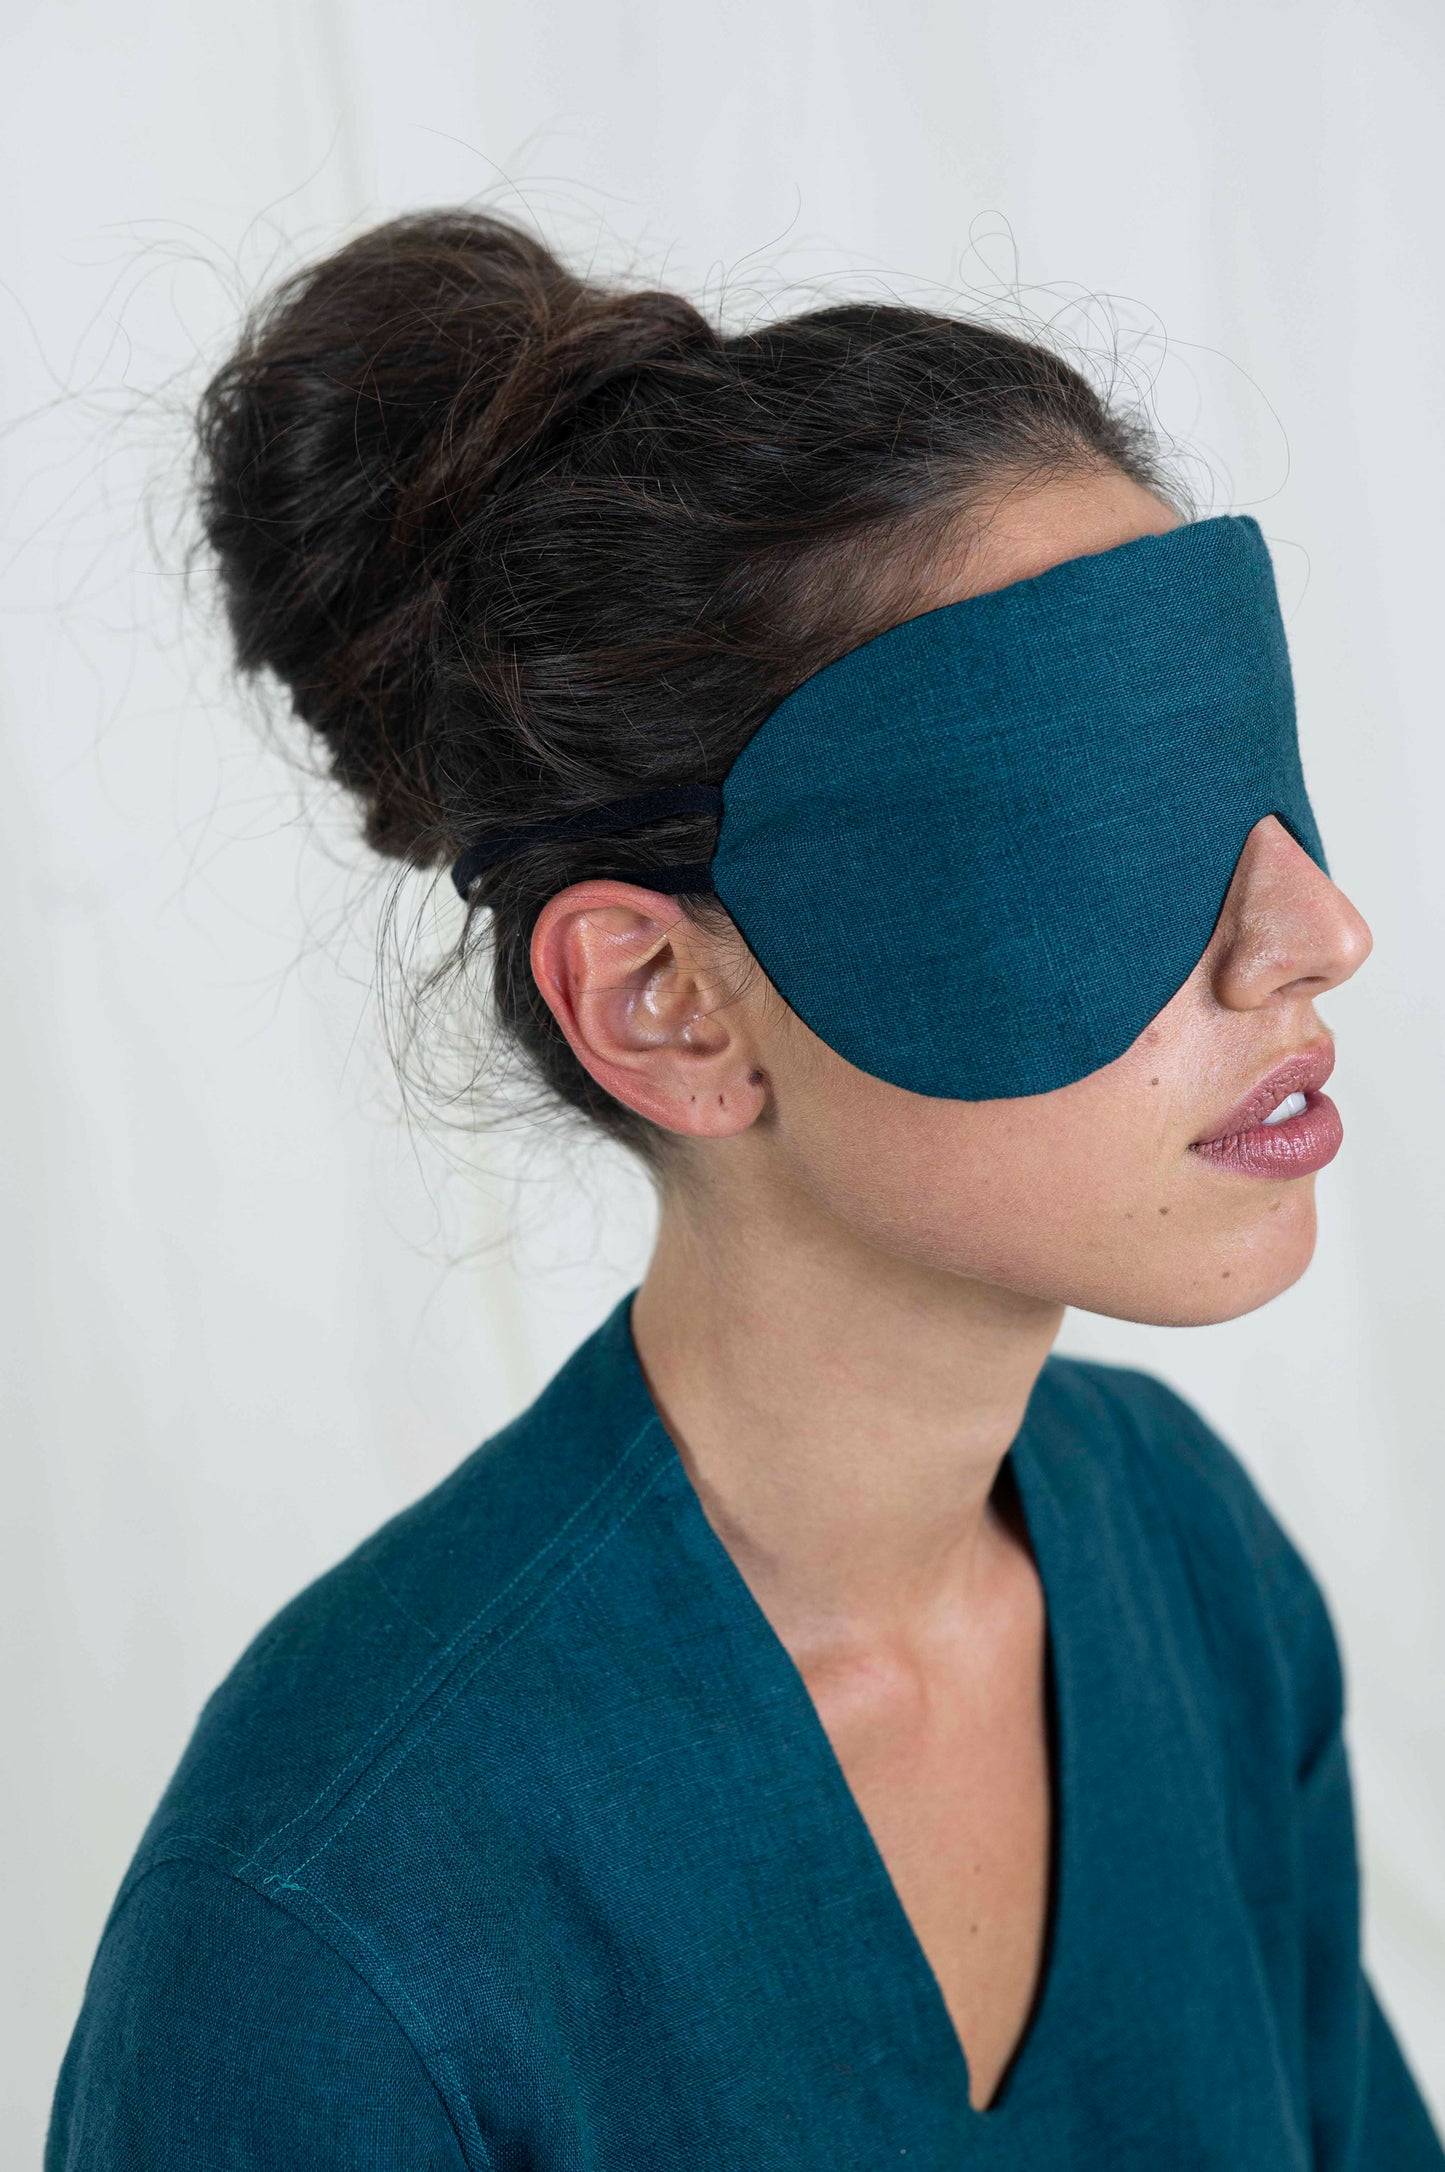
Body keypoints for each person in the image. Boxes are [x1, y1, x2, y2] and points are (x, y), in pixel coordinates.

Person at [46, 210, 1444, 2170]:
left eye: (1255, 781)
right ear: (668, 1003)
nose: (1317, 932)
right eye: (1099, 816)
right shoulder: (333, 1916)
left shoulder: (1193, 1573)